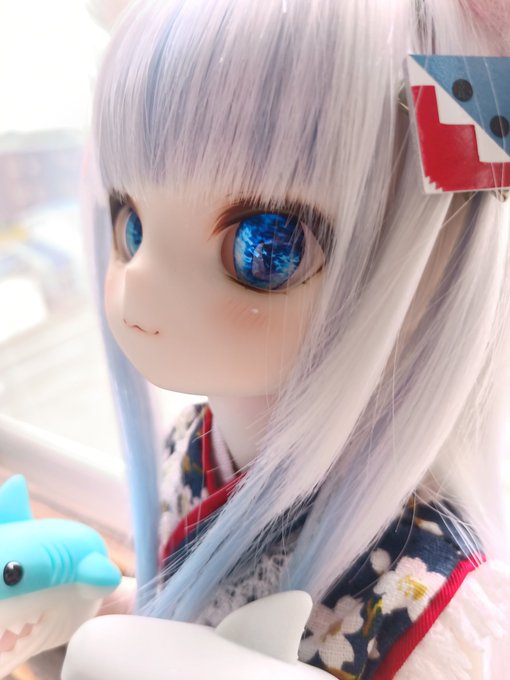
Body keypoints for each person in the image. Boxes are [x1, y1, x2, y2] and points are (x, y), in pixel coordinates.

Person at [86, 0, 510, 676]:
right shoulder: (191, 445)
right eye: (130, 225)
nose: (138, 284)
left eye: (266, 247)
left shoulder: (425, 593)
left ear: (430, 262)